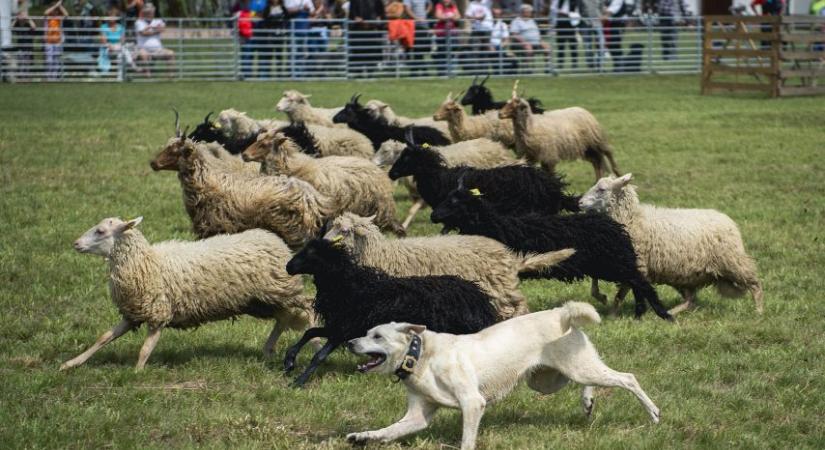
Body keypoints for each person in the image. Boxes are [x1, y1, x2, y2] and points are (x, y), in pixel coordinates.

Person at [134, 3, 175, 76]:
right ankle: (147, 74)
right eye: (148, 12)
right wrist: (155, 30)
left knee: (170, 53)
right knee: (143, 54)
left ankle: (170, 75)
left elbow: (162, 29)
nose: (150, 13)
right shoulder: (139, 22)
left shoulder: (158, 20)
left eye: (151, 11)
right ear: (144, 12)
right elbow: (143, 33)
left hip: (158, 49)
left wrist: (150, 29)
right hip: (143, 49)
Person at [99, 7, 140, 76]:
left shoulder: (121, 27)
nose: (111, 18)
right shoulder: (103, 27)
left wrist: (118, 45)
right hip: (108, 49)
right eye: (109, 16)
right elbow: (104, 42)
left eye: (113, 16)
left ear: (116, 17)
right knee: (123, 51)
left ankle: (120, 76)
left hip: (119, 48)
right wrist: (111, 46)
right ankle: (132, 65)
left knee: (121, 55)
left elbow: (122, 40)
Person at [509, 3, 550, 73]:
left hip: (536, 42)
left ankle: (548, 67)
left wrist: (540, 40)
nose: (529, 13)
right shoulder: (516, 21)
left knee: (547, 47)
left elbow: (536, 32)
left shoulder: (532, 21)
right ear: (522, 12)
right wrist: (524, 42)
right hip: (520, 44)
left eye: (530, 12)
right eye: (527, 12)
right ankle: (527, 68)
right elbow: (514, 34)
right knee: (528, 48)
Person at [348, 0, 386, 75]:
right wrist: (356, 17)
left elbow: (381, 12)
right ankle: (358, 72)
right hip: (358, 29)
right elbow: (352, 13)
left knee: (372, 51)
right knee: (359, 51)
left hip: (372, 28)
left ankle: (370, 72)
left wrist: (379, 18)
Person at [256, 0, 290, 78]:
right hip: (270, 34)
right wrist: (267, 30)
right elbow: (264, 20)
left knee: (279, 56)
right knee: (269, 55)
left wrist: (284, 29)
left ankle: (279, 74)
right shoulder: (268, 8)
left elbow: (287, 19)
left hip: (280, 35)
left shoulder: (282, 8)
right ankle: (268, 74)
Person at [403, 0, 431, 75]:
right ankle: (422, 71)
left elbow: (430, 4)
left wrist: (426, 12)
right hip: (413, 26)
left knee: (421, 49)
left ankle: (415, 71)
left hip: (424, 26)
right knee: (416, 49)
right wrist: (416, 18)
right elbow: (407, 9)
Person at [604, 0, 633, 72]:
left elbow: (610, 11)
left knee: (615, 45)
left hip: (617, 25)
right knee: (613, 45)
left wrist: (604, 16)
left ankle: (619, 67)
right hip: (613, 25)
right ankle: (617, 66)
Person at [465, 0, 493, 74]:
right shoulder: (472, 4)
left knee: (485, 50)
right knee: (474, 49)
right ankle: (475, 70)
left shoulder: (487, 2)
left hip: (487, 28)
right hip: (476, 29)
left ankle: (484, 70)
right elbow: (467, 15)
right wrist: (476, 18)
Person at [550, 0, 579, 71]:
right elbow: (552, 9)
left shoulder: (574, 1)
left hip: (571, 23)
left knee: (573, 45)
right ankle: (560, 64)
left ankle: (574, 64)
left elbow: (577, 12)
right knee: (560, 45)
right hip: (560, 22)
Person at [433, 0, 459, 76]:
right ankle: (442, 72)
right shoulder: (439, 6)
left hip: (452, 33)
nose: (446, 1)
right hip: (442, 33)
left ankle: (452, 72)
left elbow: (458, 16)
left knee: (453, 53)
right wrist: (451, 17)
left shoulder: (453, 6)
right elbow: (438, 16)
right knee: (442, 53)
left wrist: (446, 17)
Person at [43, 0, 68, 81]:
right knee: (49, 60)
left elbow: (66, 15)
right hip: (49, 42)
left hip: (57, 41)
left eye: (56, 10)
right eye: (54, 9)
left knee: (56, 60)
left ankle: (54, 77)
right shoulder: (47, 17)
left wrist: (59, 6)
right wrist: (56, 5)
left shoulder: (58, 18)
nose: (55, 11)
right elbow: (46, 12)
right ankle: (49, 77)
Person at [10, 9, 37, 79]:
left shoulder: (29, 23)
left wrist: (28, 18)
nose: (22, 16)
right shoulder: (17, 24)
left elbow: (34, 27)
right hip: (20, 46)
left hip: (28, 46)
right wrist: (16, 19)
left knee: (27, 62)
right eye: (21, 15)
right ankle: (21, 77)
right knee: (21, 62)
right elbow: (11, 27)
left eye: (23, 15)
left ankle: (26, 77)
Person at [578, 0, 605, 71]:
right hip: (585, 23)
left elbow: (602, 9)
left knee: (600, 44)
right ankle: (590, 66)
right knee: (587, 45)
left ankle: (600, 66)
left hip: (598, 23)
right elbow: (580, 11)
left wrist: (601, 17)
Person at [235, 0, 255, 78]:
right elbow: (233, 14)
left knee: (249, 54)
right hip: (243, 34)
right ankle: (245, 74)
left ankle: (248, 73)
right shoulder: (238, 4)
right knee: (245, 54)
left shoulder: (252, 3)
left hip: (252, 32)